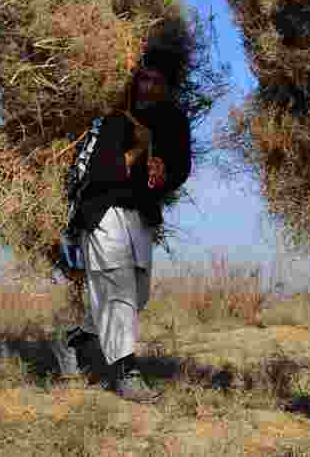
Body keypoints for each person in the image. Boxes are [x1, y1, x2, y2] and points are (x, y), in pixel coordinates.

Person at [56, 47, 192, 402]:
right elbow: (97, 174)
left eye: (157, 81)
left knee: (138, 294)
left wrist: (165, 174)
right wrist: (136, 151)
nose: (148, 87)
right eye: (143, 79)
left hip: (140, 215)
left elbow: (180, 169)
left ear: (167, 87)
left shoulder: (175, 122)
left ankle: (75, 338)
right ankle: (125, 373)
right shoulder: (116, 119)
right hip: (103, 212)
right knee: (118, 293)